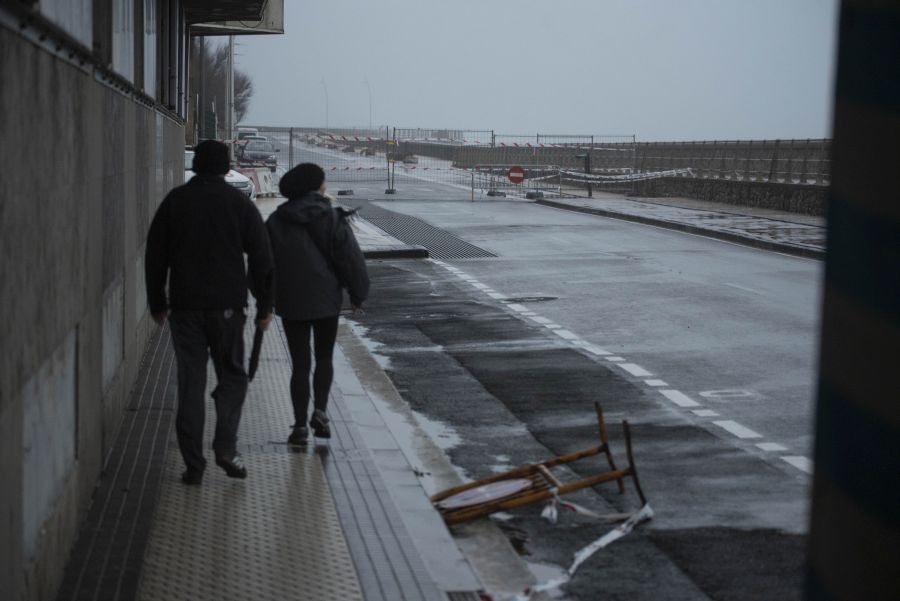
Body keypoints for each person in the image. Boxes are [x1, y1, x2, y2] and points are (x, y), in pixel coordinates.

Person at [145, 140, 274, 484]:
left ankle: (193, 465)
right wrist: (265, 306)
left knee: (191, 382)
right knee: (233, 376)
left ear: (197, 165)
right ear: (225, 167)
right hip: (228, 308)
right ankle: (226, 448)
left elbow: (155, 255)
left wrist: (157, 302)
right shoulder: (239, 204)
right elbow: (262, 258)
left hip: (185, 307)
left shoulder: (176, 201)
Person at [266, 163, 369, 445]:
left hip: (290, 302)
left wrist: (265, 302)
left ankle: (299, 425)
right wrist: (358, 295)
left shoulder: (277, 220)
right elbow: (351, 259)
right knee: (324, 357)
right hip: (326, 301)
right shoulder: (332, 218)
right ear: (316, 185)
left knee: (300, 363)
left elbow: (264, 265)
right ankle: (320, 412)